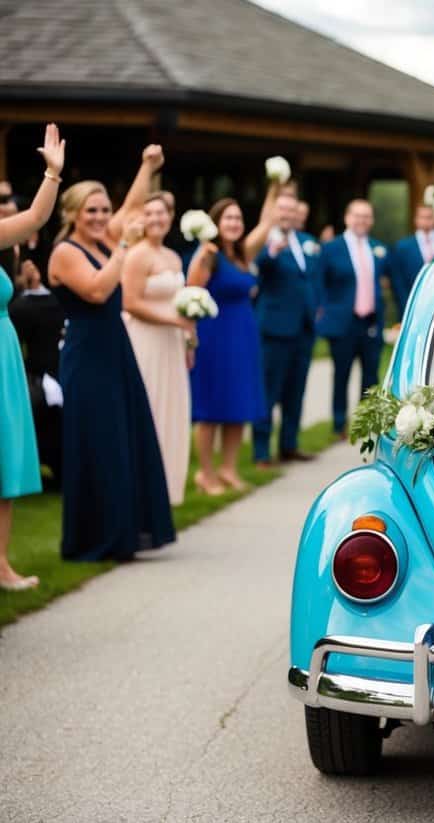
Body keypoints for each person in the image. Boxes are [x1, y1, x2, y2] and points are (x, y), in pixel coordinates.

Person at [47, 144, 176, 562]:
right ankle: (94, 539)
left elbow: (132, 205)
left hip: (115, 350)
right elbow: (98, 289)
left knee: (123, 440)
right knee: (98, 442)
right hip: (87, 356)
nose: (101, 217)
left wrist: (146, 166)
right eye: (91, 211)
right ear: (71, 214)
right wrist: (126, 245)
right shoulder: (66, 252)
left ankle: (124, 534)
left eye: (104, 210)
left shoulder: (104, 242)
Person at [0, 125, 64, 589]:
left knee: (5, 465)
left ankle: (1, 566)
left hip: (3, 357)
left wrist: (52, 173)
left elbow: (36, 218)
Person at [188, 179, 279, 494]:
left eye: (238, 219)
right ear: (215, 222)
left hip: (243, 336)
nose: (234, 223)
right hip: (214, 339)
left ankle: (228, 468)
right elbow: (190, 296)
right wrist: (190, 339)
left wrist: (275, 185)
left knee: (238, 405)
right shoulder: (208, 255)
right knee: (212, 408)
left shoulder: (243, 256)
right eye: (228, 218)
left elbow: (267, 222)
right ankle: (206, 473)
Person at [122, 192, 193, 505]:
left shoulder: (174, 257)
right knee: (150, 409)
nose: (156, 219)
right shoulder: (137, 255)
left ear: (170, 217)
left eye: (161, 213)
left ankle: (166, 492)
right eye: (149, 214)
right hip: (145, 341)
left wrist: (189, 336)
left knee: (172, 412)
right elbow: (130, 302)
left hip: (172, 344)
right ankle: (142, 491)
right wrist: (173, 321)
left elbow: (179, 303)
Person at [251, 191, 317, 468]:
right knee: (268, 391)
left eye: (291, 210)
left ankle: (289, 445)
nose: (287, 215)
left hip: (304, 328)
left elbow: (311, 279)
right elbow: (260, 267)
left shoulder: (305, 242)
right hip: (274, 329)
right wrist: (271, 252)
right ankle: (262, 452)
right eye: (282, 210)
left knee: (295, 390)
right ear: (273, 212)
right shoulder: (265, 242)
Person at [314, 199, 389, 439]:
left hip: (370, 321)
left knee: (371, 375)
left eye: (367, 216)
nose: (362, 220)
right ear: (347, 218)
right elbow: (318, 284)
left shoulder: (377, 248)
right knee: (342, 374)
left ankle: (367, 422)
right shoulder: (331, 248)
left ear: (372, 220)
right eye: (357, 215)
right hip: (342, 322)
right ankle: (339, 423)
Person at [9, 257, 66, 488]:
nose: (31, 266)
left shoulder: (55, 298)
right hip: (40, 373)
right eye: (24, 266)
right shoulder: (21, 307)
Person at [389, 202, 434, 320]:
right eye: (422, 217)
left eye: (429, 217)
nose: (426, 221)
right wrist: (407, 308)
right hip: (414, 308)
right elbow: (398, 282)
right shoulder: (403, 247)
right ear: (416, 219)